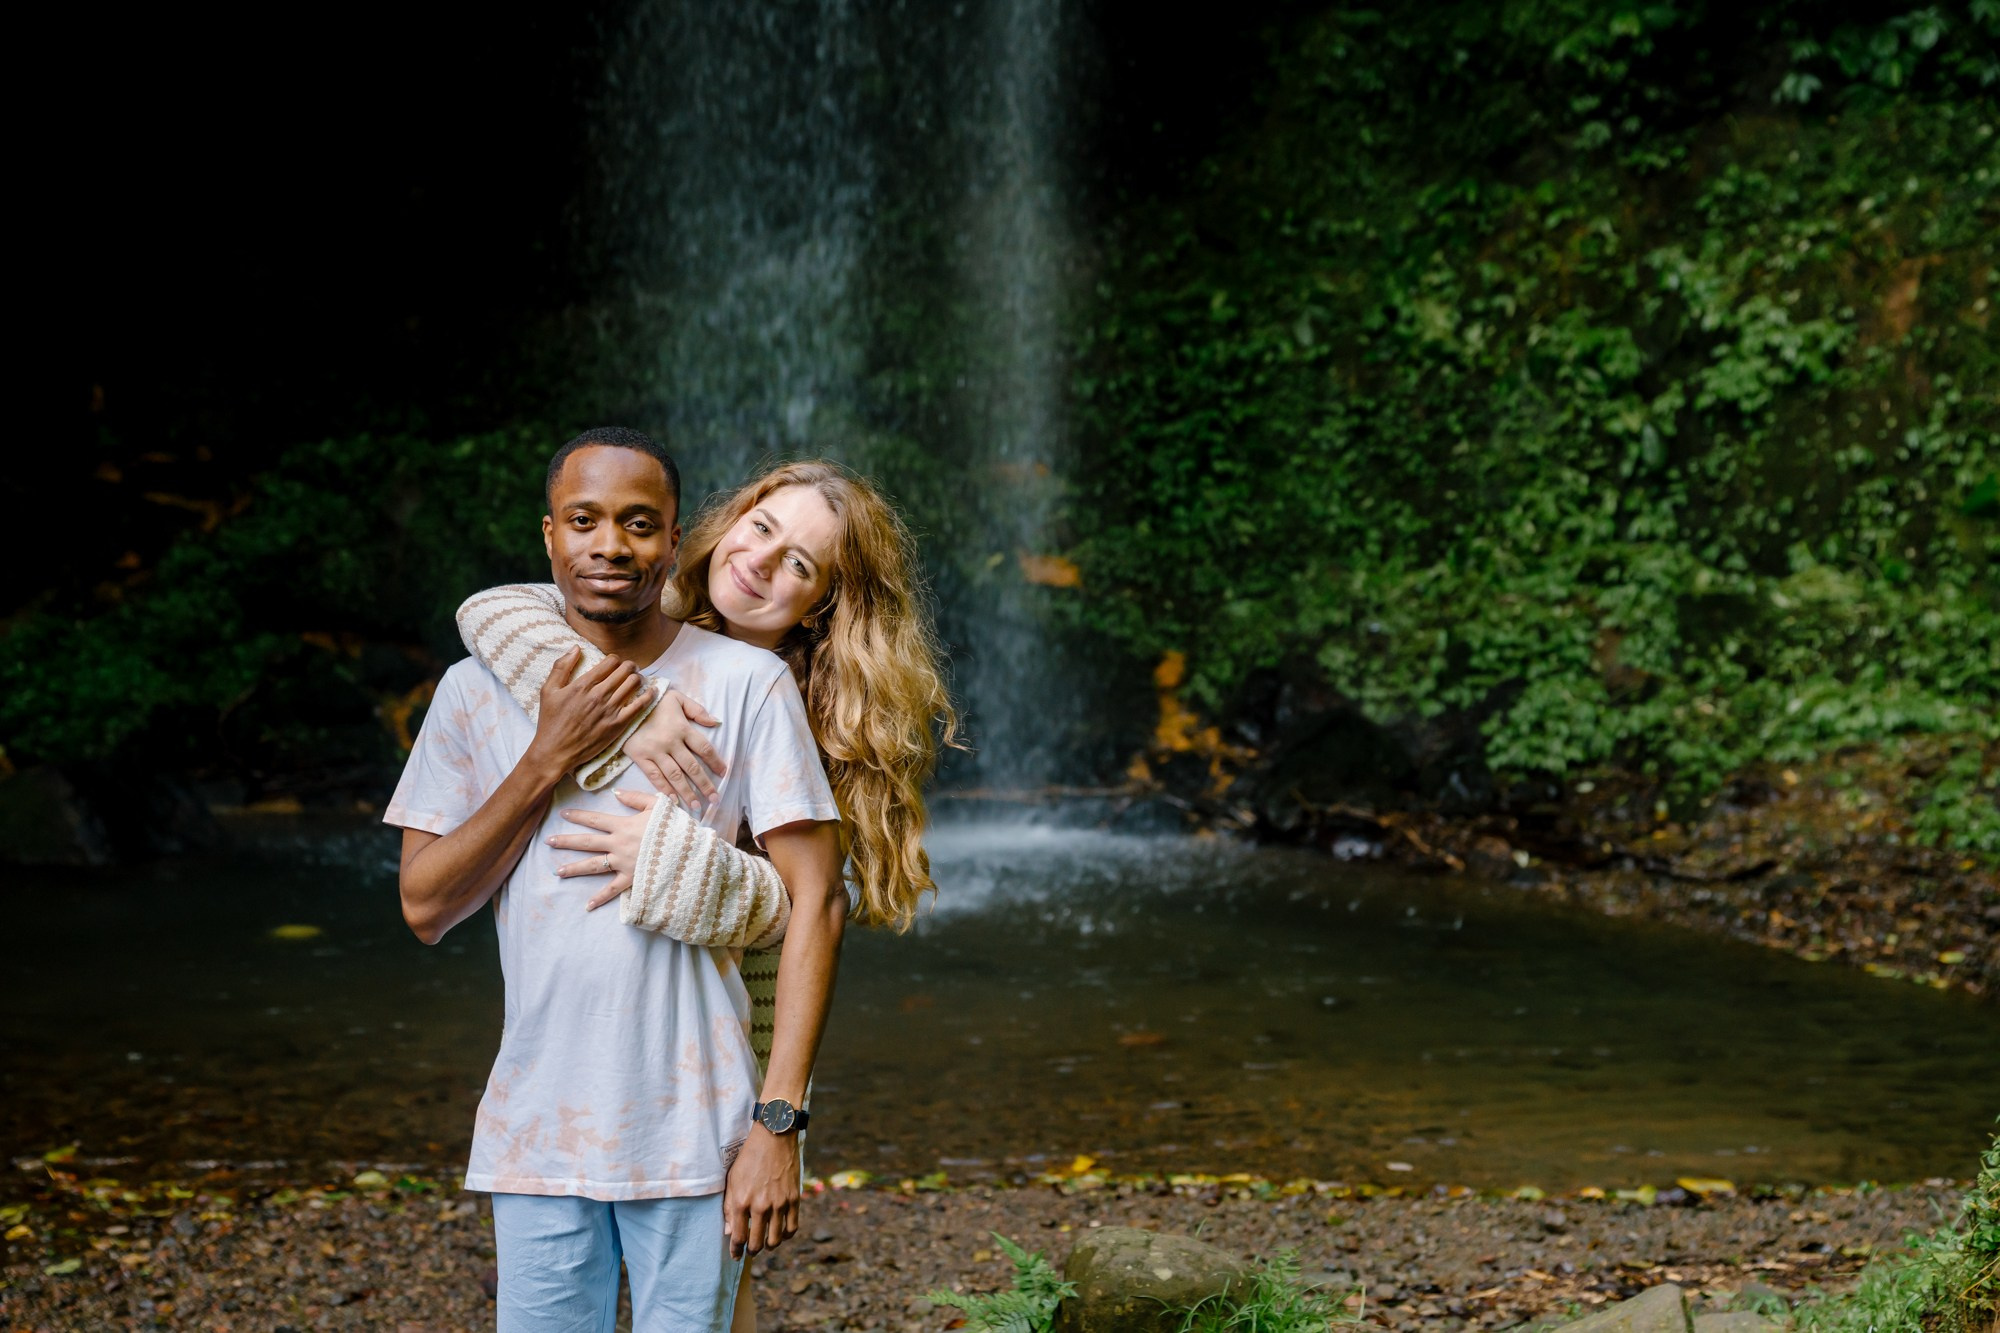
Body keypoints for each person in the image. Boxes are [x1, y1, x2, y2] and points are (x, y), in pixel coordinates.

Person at [455, 458, 958, 1333]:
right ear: (728, 523)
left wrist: (779, 1122)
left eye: (800, 563)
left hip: (742, 1044)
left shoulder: (797, 700)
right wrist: (635, 710)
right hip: (586, 1064)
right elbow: (488, 610)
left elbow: (808, 906)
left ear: (823, 605)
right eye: (762, 528)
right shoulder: (641, 610)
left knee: (727, 1295)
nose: (761, 562)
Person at [389, 429, 847, 1330]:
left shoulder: (749, 683)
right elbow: (424, 905)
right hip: (537, 1126)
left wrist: (779, 1126)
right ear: (549, 534)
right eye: (584, 520)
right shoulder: (474, 690)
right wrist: (546, 755)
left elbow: (820, 901)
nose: (610, 544)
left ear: (674, 540)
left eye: (639, 524)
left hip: (697, 1131)